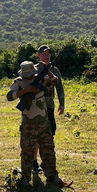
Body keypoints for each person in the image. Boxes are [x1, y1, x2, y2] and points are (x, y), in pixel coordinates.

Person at [6, 60, 72, 188]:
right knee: (27, 152)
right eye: (28, 74)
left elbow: (55, 82)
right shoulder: (18, 82)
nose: (31, 76)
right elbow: (10, 96)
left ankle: (52, 175)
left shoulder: (42, 79)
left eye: (32, 74)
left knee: (48, 150)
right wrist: (25, 91)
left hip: (43, 122)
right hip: (28, 124)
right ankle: (25, 178)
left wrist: (47, 70)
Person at [32, 44, 65, 173]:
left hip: (49, 106)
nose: (47, 56)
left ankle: (46, 162)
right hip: (36, 107)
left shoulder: (54, 70)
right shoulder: (33, 69)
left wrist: (62, 104)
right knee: (35, 136)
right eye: (44, 54)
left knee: (49, 134)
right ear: (38, 55)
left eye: (48, 54)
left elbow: (60, 87)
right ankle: (34, 162)